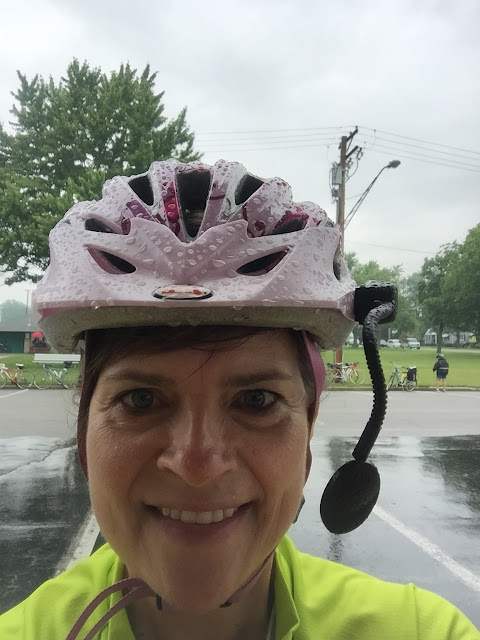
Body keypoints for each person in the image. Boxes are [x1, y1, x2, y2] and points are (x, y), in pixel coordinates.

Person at [0, 159, 478, 639]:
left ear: (308, 429)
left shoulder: (420, 631)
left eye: (256, 400)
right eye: (141, 399)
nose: (197, 466)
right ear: (85, 431)